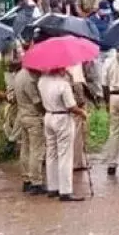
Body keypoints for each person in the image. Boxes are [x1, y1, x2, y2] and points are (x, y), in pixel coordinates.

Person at [38, 67, 88, 202]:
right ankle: (65, 190)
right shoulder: (63, 84)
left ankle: (53, 187)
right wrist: (82, 113)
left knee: (51, 153)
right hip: (62, 117)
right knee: (65, 155)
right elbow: (71, 106)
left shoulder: (42, 81)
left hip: (48, 116)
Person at [14, 60, 46, 195]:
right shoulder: (29, 80)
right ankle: (36, 182)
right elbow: (37, 102)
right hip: (33, 117)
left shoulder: (19, 75)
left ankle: (26, 178)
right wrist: (46, 111)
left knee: (25, 149)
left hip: (22, 115)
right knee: (36, 150)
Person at [66, 63, 90, 172]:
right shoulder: (75, 62)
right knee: (78, 133)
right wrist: (81, 104)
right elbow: (78, 83)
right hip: (74, 99)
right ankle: (77, 162)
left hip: (60, 102)